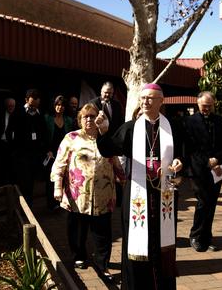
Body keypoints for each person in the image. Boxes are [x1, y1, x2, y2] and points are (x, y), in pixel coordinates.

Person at [97, 83, 183, 290]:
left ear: (160, 101)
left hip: (164, 191)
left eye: (150, 98)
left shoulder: (172, 127)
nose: (145, 102)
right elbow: (108, 150)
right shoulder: (130, 127)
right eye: (143, 98)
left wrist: (179, 162)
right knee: (136, 241)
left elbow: (182, 153)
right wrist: (103, 131)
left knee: (162, 240)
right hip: (137, 192)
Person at [51, 103, 125, 280]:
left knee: (103, 234)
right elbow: (60, 163)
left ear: (99, 119)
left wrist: (126, 182)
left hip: (103, 196)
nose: (89, 119)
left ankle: (102, 264)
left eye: (93, 116)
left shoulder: (106, 139)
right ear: (80, 119)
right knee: (77, 229)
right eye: (85, 116)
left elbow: (117, 164)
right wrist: (57, 186)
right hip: (78, 196)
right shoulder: (71, 138)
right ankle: (79, 256)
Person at [185, 91, 222, 252]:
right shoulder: (189, 122)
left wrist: (217, 159)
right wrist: (207, 161)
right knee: (203, 202)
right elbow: (190, 147)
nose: (207, 109)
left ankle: (206, 238)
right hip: (198, 170)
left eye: (210, 106)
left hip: (217, 169)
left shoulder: (219, 121)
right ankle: (195, 236)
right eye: (204, 106)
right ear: (198, 104)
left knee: (212, 204)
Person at [11, 88, 48, 207]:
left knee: (31, 179)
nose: (37, 100)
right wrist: (15, 149)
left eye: (38, 98)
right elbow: (10, 131)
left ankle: (28, 204)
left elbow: (43, 132)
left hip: (35, 153)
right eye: (34, 98)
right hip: (22, 153)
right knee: (23, 179)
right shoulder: (18, 113)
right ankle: (23, 204)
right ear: (27, 99)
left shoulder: (39, 114)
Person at [44, 95, 75, 210]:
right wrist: (47, 151)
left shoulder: (68, 120)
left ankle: (60, 202)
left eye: (62, 105)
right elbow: (44, 137)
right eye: (57, 104)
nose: (59, 107)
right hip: (51, 153)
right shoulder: (47, 118)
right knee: (51, 178)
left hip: (64, 153)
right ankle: (51, 204)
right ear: (54, 106)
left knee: (64, 177)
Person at [0, 97, 16, 184]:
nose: (11, 108)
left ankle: (13, 186)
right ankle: (2, 186)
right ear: (5, 106)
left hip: (14, 144)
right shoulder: (0, 115)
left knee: (13, 166)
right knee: (2, 166)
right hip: (3, 143)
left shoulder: (18, 116)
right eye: (9, 106)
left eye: (13, 106)